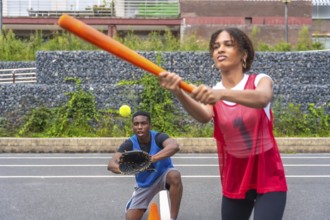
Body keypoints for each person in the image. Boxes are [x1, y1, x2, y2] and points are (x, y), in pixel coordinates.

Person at [158, 27, 288, 220]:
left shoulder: (259, 80)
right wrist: (178, 92)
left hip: (267, 173)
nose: (220, 50)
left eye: (228, 45)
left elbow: (262, 98)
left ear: (243, 54)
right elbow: (203, 116)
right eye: (216, 46)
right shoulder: (214, 92)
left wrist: (223, 94)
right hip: (235, 176)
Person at [107, 110, 182, 220]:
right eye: (136, 124)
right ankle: (133, 201)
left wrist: (150, 159)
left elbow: (174, 146)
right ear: (133, 126)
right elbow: (111, 165)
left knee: (175, 175)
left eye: (143, 123)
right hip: (145, 184)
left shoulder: (159, 137)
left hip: (163, 176)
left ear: (150, 125)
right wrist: (125, 169)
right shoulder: (129, 143)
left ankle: (173, 218)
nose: (139, 127)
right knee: (130, 218)